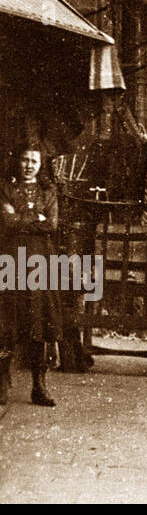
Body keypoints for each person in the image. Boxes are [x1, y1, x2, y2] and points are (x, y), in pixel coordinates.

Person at [0, 147, 62, 407]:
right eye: (24, 159)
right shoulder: (5, 188)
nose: (28, 165)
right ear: (18, 161)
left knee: (39, 322)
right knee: (7, 321)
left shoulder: (49, 192)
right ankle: (2, 383)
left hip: (39, 262)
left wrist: (20, 217)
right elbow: (5, 222)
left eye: (34, 161)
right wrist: (34, 218)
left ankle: (39, 386)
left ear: (41, 164)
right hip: (11, 260)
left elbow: (52, 224)